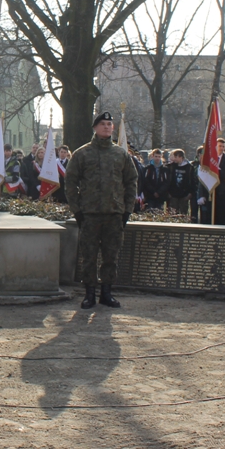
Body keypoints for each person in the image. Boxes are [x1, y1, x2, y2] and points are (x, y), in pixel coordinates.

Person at [65, 111, 139, 310]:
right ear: (95, 128)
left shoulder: (121, 154)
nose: (107, 127)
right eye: (103, 124)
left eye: (109, 124)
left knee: (110, 256)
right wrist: (77, 211)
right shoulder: (82, 154)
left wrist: (127, 210)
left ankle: (106, 293)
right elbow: (70, 183)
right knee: (89, 256)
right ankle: (89, 293)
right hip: (89, 215)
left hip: (114, 214)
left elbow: (131, 181)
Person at [166, 149, 197, 221]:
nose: (174, 159)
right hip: (173, 195)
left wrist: (191, 193)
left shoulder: (189, 167)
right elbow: (168, 180)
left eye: (175, 157)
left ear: (180, 157)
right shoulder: (171, 166)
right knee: (172, 215)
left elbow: (192, 181)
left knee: (183, 214)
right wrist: (168, 192)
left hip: (184, 195)